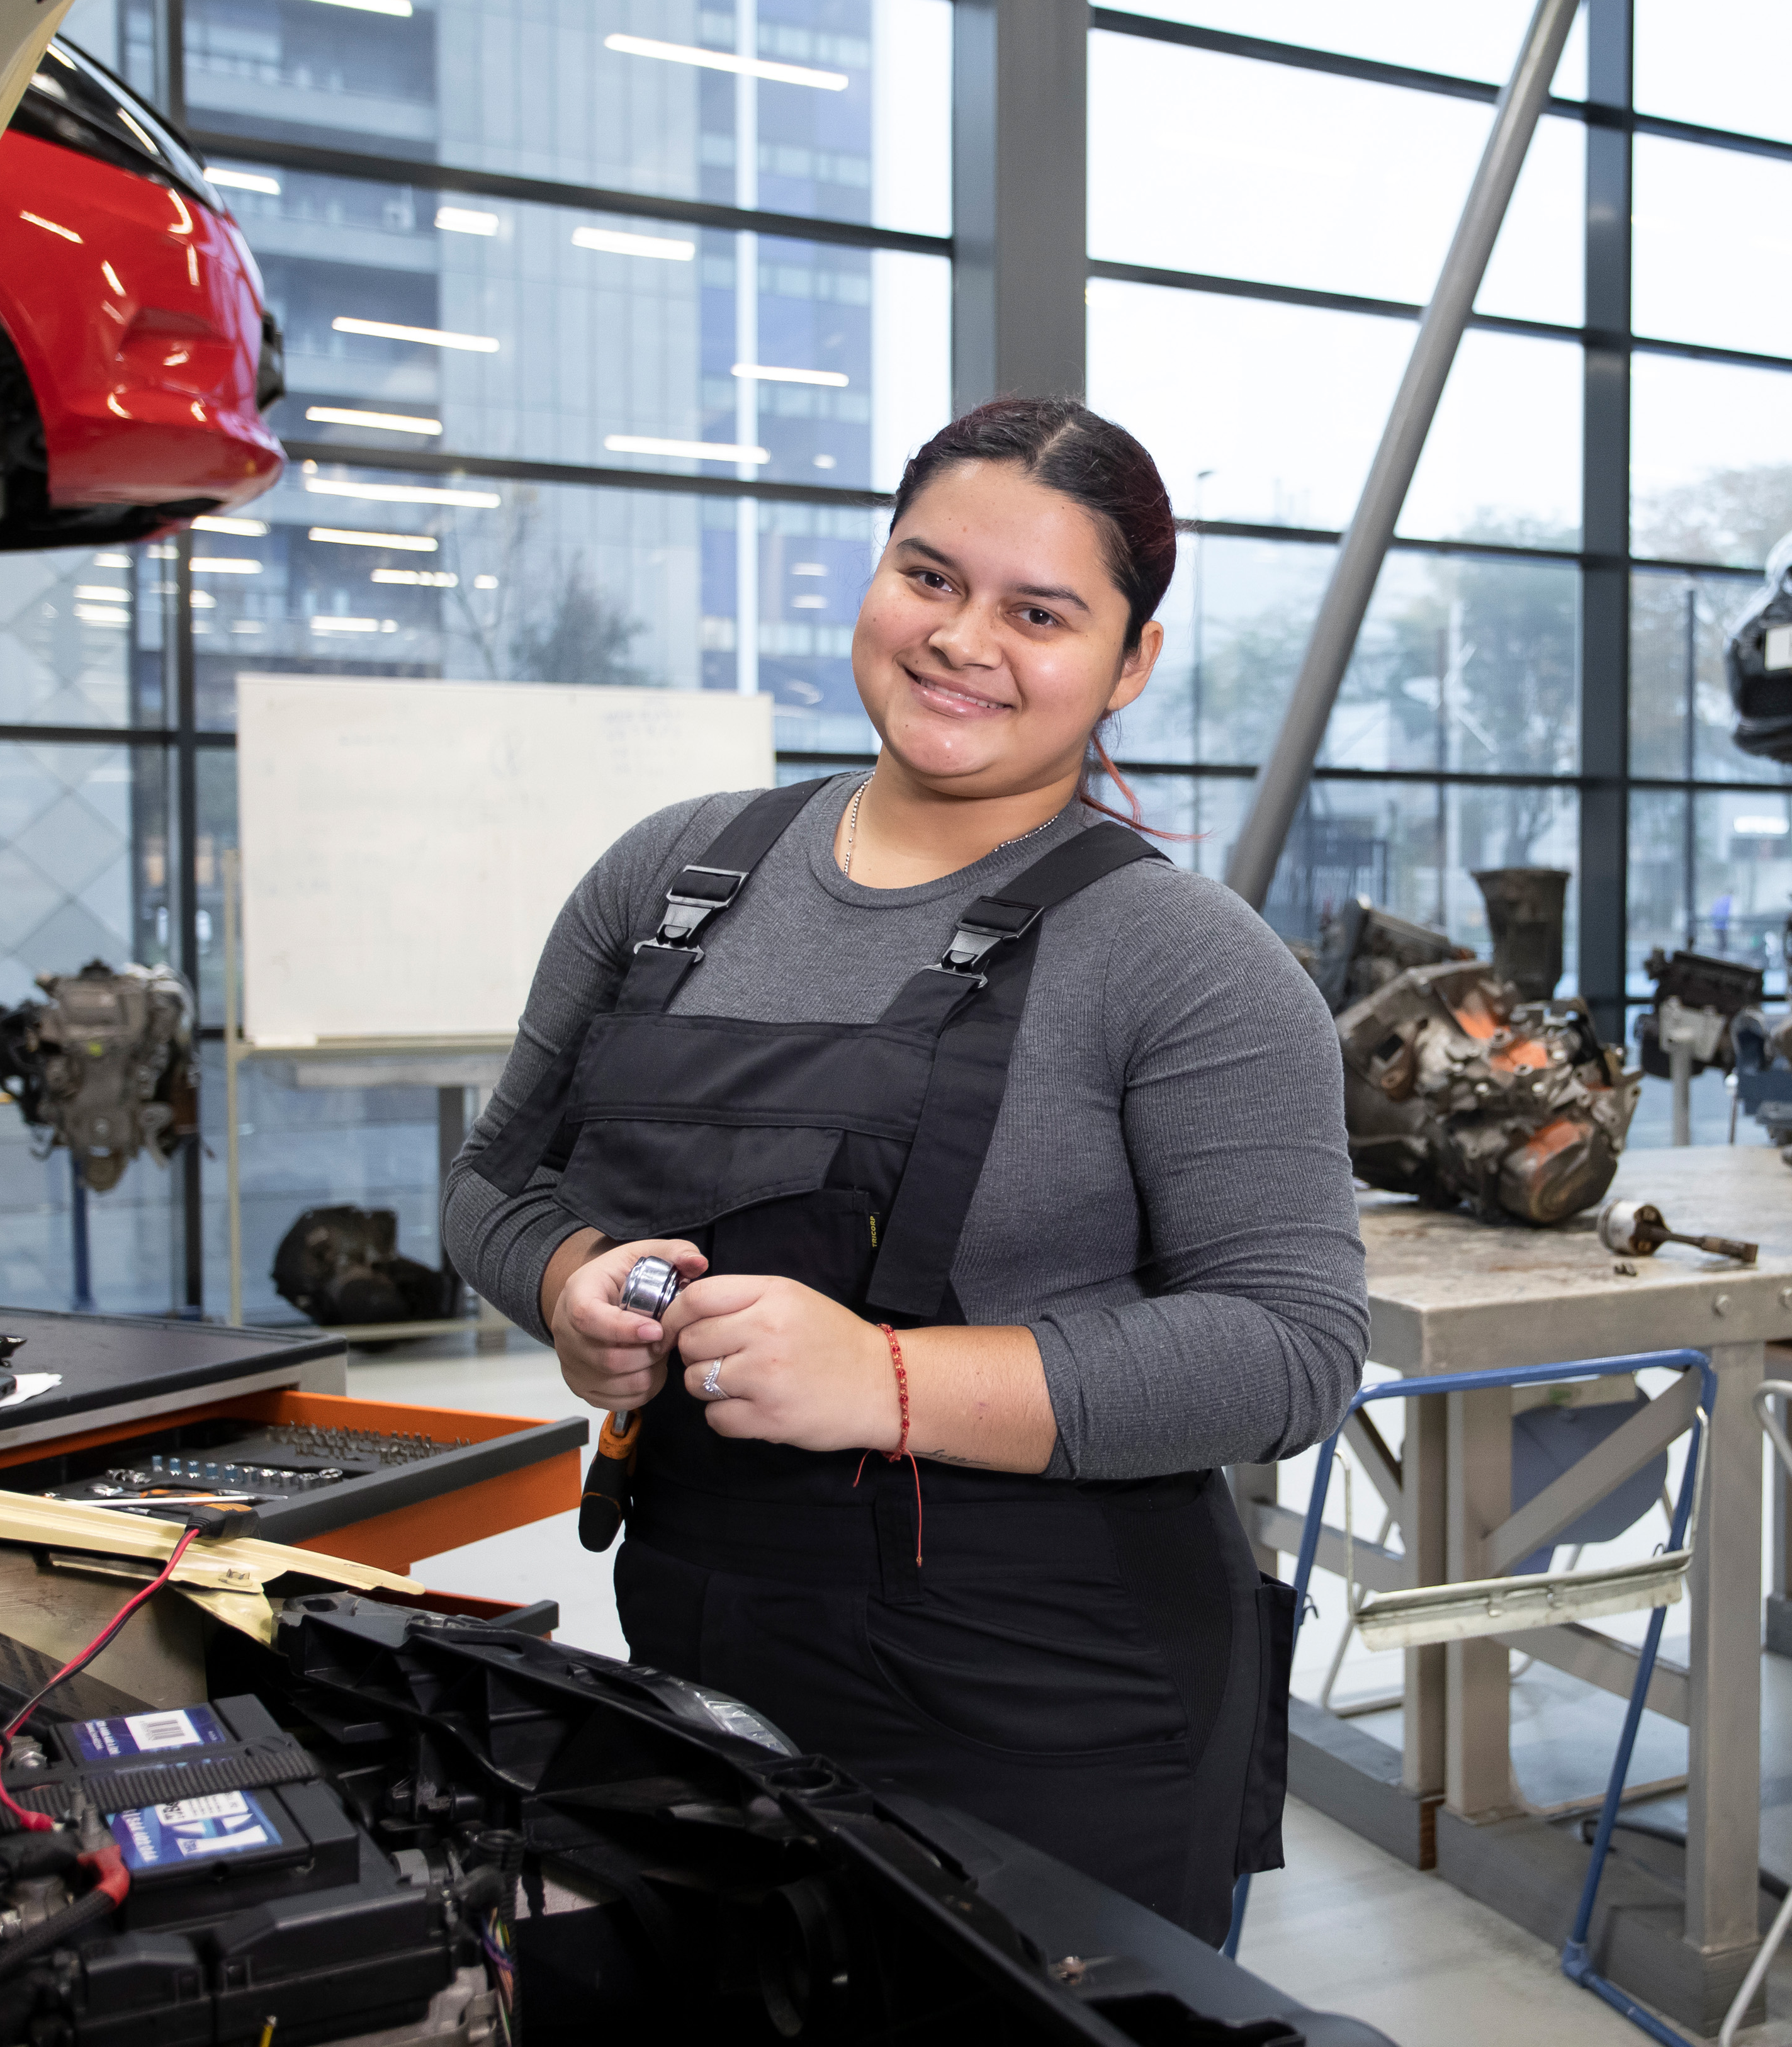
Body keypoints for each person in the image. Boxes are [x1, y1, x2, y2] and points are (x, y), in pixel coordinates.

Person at [443, 398, 1368, 1944]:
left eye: (1040, 611)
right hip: (704, 1651)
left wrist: (887, 1376)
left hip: (1057, 1696)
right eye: (929, 577)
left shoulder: (1185, 959)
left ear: (1128, 663)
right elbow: (494, 1177)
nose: (963, 639)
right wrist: (564, 1279)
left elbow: (1290, 1349)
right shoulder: (670, 877)